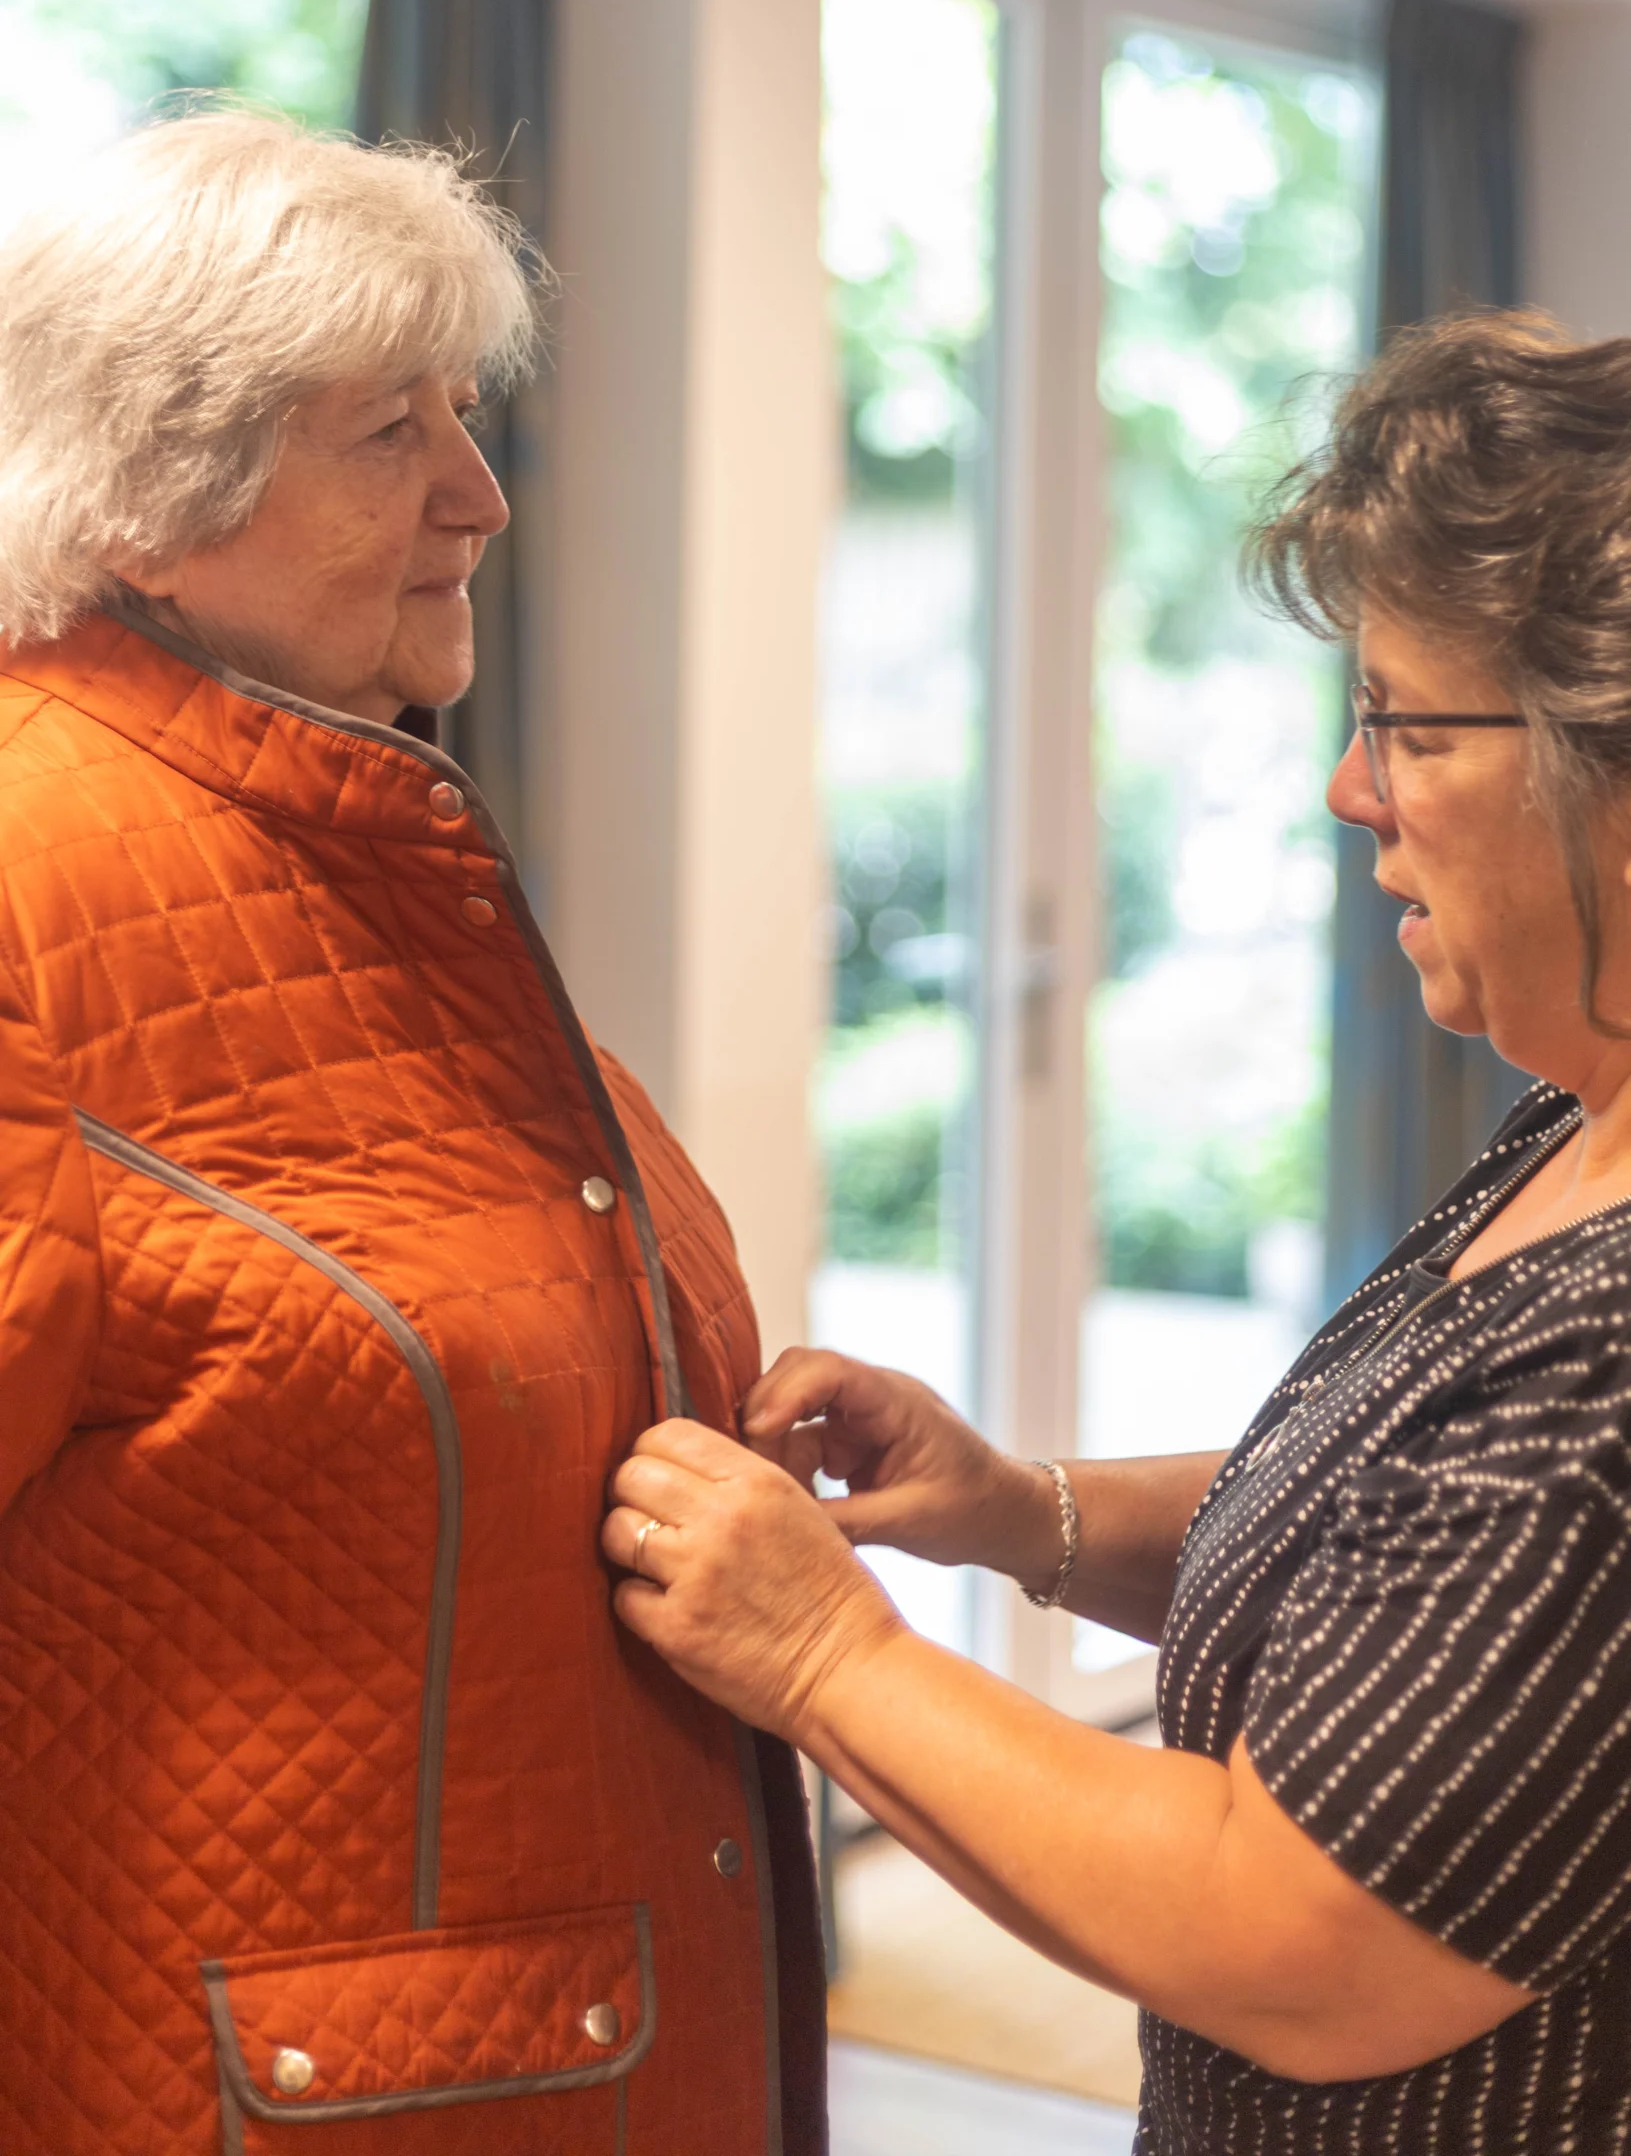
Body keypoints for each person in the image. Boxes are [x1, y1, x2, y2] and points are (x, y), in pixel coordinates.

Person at [607, 309, 1631, 2154]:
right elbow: (1399, 1560)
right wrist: (1025, 1514)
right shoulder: (1575, 1129)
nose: (1351, 792)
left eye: (1403, 724)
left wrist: (828, 1654)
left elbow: (1288, 1937)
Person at [0, 108, 822, 2156]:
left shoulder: (364, 834)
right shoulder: (34, 873)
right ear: (145, 493)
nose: (481, 494)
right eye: (391, 434)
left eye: (466, 416)